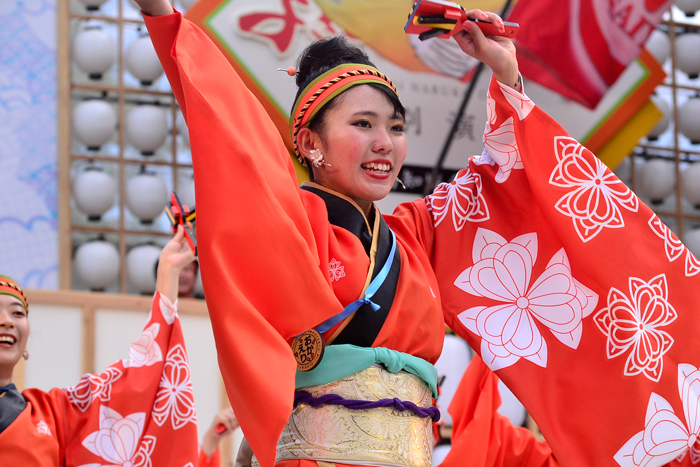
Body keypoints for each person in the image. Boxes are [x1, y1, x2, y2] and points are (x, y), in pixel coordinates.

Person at [135, 1, 700, 466]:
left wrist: (505, 74)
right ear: (309, 143)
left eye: (396, 127)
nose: (385, 142)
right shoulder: (291, 217)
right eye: (362, 125)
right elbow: (224, 118)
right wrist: (162, 14)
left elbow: (506, 179)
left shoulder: (418, 231)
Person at [0, 226, 199, 465]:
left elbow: (138, 383)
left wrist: (168, 272)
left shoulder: (52, 414)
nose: (7, 321)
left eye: (17, 313)